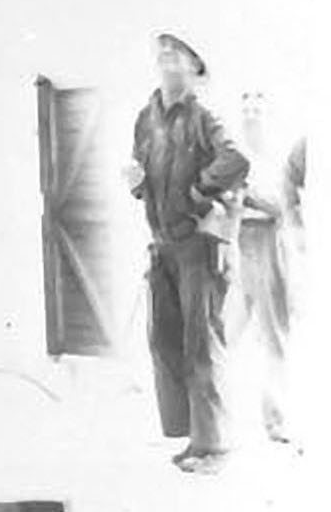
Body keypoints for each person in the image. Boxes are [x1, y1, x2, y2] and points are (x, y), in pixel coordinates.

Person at [122, 30, 248, 476]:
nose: (167, 59)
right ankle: (193, 436)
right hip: (164, 245)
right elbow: (142, 168)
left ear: (196, 66)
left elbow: (236, 158)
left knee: (201, 342)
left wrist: (198, 193)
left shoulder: (204, 113)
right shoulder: (148, 116)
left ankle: (215, 446)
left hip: (199, 244)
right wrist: (138, 183)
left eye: (178, 54)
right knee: (167, 341)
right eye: (162, 53)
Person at [233, 90, 296, 445]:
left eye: (257, 109)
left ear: (268, 114)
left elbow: (281, 206)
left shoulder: (276, 157)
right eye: (246, 110)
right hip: (238, 246)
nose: (251, 115)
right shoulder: (234, 155)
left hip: (269, 244)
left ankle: (275, 421)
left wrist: (249, 195)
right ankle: (216, 421)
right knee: (224, 334)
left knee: (274, 337)